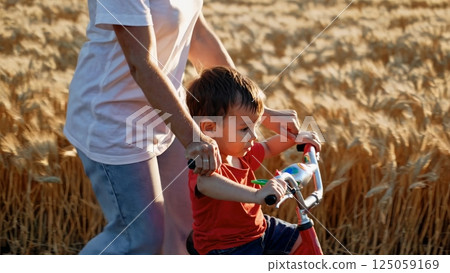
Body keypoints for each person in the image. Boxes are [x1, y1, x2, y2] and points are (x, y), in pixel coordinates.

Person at [65, 0, 303, 254]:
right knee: (142, 237)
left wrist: (259, 113)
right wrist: (193, 138)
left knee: (189, 229)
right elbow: (141, 63)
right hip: (116, 120)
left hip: (171, 115)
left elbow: (198, 35)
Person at [186, 66, 323, 255]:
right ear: (210, 128)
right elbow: (206, 183)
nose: (254, 136)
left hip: (259, 228)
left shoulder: (241, 153)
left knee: (302, 240)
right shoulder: (205, 162)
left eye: (255, 126)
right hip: (226, 246)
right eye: (244, 129)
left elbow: (267, 147)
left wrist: (295, 138)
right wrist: (256, 195)